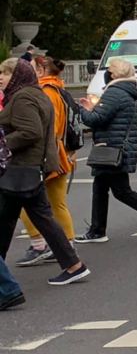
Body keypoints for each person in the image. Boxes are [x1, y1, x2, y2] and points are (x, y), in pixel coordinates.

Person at [0, 59, 88, 287]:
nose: (0, 77)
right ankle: (74, 265)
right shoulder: (35, 93)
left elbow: (31, 132)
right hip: (30, 169)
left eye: (5, 73)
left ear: (16, 75)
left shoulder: (23, 97)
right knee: (38, 219)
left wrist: (2, 142)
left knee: (9, 220)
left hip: (20, 168)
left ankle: (73, 266)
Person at [75, 57, 137, 244]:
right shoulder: (127, 92)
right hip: (117, 146)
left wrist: (83, 110)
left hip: (112, 148)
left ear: (113, 74)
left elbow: (97, 119)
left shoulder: (114, 93)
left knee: (121, 191)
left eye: (109, 70)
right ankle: (97, 230)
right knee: (101, 187)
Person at [13, 56, 77, 267]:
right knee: (53, 203)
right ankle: (64, 246)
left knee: (30, 203)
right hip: (58, 152)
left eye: (31, 68)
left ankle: (43, 245)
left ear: (40, 71)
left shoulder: (46, 92)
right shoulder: (58, 89)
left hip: (50, 154)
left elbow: (48, 126)